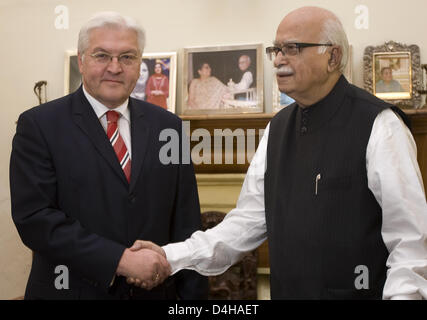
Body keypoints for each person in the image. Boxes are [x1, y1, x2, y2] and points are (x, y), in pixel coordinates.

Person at [130, 6, 427, 299]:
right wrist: (171, 256)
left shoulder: (380, 124)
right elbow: (245, 224)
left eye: (293, 48)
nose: (279, 60)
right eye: (277, 49)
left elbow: (410, 245)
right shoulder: (277, 127)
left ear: (333, 56)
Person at [9, 11, 207, 300]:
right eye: (102, 55)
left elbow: (187, 222)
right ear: (81, 60)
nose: (115, 68)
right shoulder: (39, 126)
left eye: (127, 57)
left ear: (140, 64)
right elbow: (35, 220)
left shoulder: (170, 127)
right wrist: (121, 260)